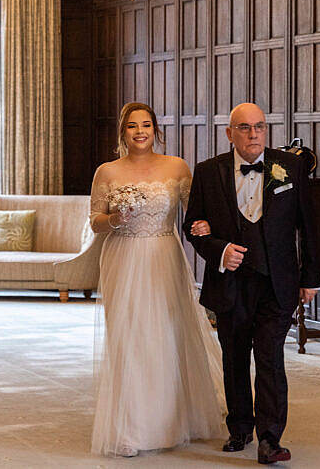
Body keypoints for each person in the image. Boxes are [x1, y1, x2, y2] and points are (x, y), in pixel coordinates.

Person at [182, 102, 320, 465]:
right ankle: (240, 426)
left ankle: (270, 439)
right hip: (229, 283)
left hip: (278, 282)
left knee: (270, 357)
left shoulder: (289, 166)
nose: (253, 133)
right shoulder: (208, 172)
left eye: (259, 126)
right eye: (244, 127)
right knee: (235, 357)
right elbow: (193, 225)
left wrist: (311, 278)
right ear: (230, 134)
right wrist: (219, 249)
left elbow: (307, 226)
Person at [88, 102, 225, 457]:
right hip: (123, 256)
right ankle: (131, 427)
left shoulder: (176, 166)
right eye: (132, 126)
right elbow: (94, 221)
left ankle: (171, 421)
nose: (140, 132)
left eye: (146, 125)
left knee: (167, 333)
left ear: (155, 129)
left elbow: (197, 211)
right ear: (123, 132)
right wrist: (115, 219)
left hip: (164, 255)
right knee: (128, 336)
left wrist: (207, 226)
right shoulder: (107, 172)